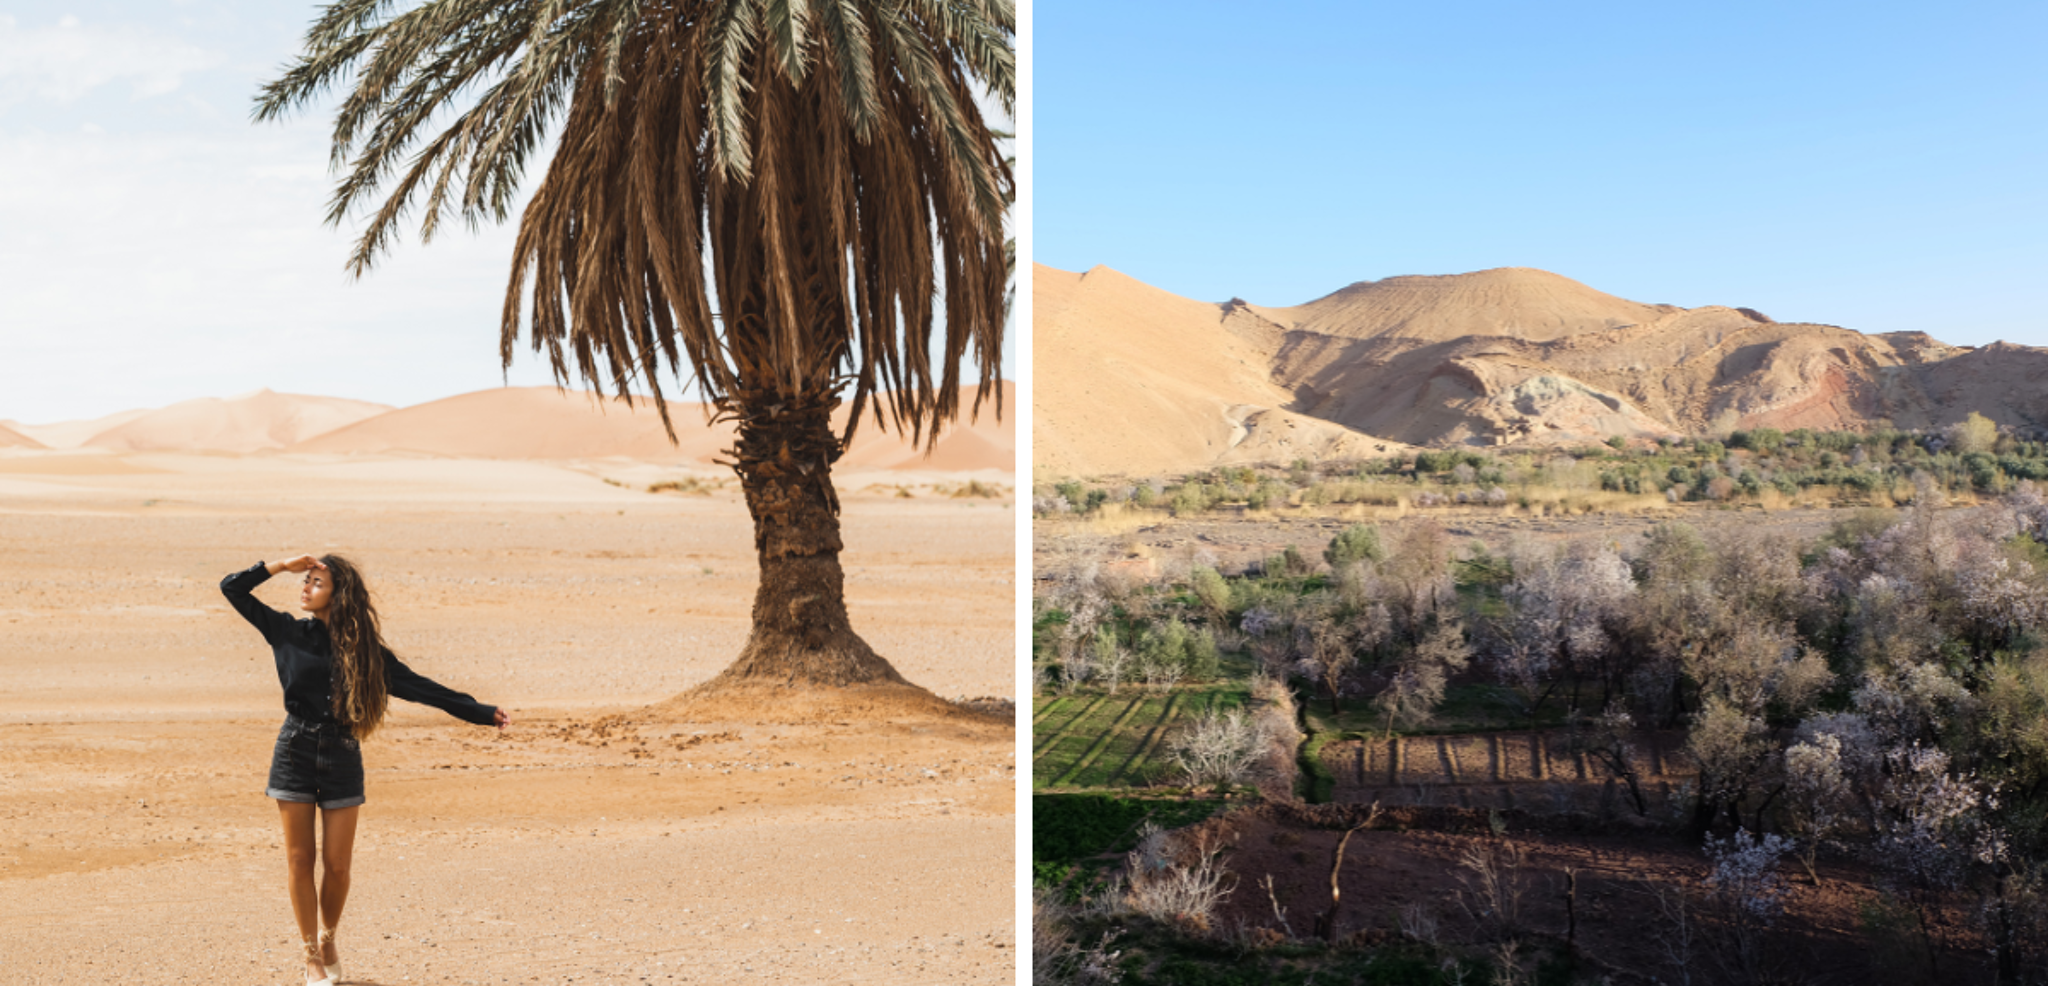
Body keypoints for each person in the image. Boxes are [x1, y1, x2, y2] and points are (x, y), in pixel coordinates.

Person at [221, 554, 510, 986]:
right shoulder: (285, 631)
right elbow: (232, 588)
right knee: (300, 859)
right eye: (306, 581)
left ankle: (329, 935)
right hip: (294, 751)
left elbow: (419, 686)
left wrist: (478, 711)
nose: (305, 588)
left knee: (337, 866)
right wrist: (281, 566)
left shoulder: (366, 651)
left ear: (339, 597)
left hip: (341, 756)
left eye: (316, 583)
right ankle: (310, 956)